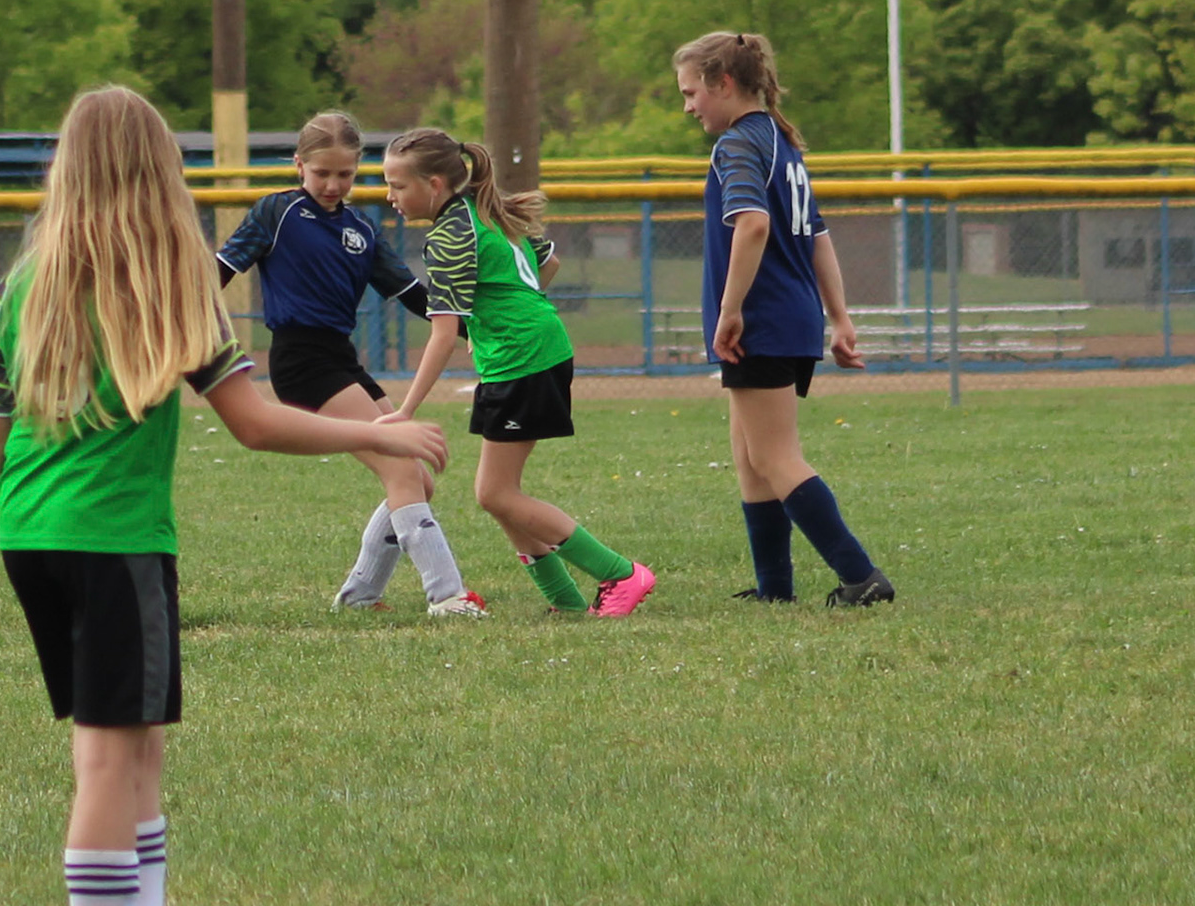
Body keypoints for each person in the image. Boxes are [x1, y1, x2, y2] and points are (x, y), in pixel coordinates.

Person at [0, 86, 449, 906]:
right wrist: (376, 431)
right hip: (116, 542)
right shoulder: (169, 280)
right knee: (110, 761)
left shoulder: (27, 282)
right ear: (160, 172)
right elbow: (254, 424)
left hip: (30, 540)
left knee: (138, 751)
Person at [217, 111, 484, 617]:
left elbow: (414, 294)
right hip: (301, 361)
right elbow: (219, 271)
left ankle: (359, 597)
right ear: (299, 165)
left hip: (340, 358)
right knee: (400, 467)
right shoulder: (276, 212)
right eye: (322, 173)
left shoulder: (361, 227)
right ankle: (447, 597)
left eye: (345, 174)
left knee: (418, 479)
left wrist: (481, 329)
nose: (333, 185)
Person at [382, 127, 654, 618]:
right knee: (497, 494)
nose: (390, 196)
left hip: (521, 358)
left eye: (398, 185)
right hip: (530, 350)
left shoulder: (449, 235)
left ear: (435, 184)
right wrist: (507, 317)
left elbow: (442, 335)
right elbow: (549, 264)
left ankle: (620, 574)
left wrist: (406, 410)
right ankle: (565, 602)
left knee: (496, 493)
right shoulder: (485, 210)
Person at [674, 30, 894, 608]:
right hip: (789, 315)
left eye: (692, 92)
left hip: (763, 318)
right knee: (751, 458)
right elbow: (817, 235)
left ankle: (861, 575)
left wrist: (730, 310)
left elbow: (753, 225)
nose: (689, 106)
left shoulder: (738, 144)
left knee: (774, 456)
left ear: (724, 83)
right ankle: (775, 590)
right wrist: (839, 317)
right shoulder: (780, 140)